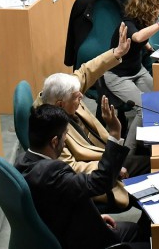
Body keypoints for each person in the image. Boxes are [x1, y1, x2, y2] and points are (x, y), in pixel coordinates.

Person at [36, 23, 142, 210]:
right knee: (147, 182)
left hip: (105, 153)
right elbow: (72, 168)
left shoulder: (64, 94)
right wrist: (112, 167)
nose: (82, 97)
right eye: (77, 97)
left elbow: (86, 71)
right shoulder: (49, 129)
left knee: (151, 161)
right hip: (96, 173)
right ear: (60, 104)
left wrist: (116, 52)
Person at [15, 103, 149, 249]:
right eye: (65, 134)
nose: (66, 139)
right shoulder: (51, 172)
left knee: (139, 230)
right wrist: (115, 134)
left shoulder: (22, 162)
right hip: (87, 241)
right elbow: (101, 182)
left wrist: (93, 218)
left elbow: (54, 207)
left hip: (74, 225)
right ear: (54, 141)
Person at [103, 0, 159, 147]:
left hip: (137, 71)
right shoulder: (127, 24)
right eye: (156, 6)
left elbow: (143, 40)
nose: (158, 10)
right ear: (148, 7)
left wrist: (150, 49)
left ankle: (154, 142)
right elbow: (138, 37)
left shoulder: (142, 21)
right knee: (145, 108)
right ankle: (124, 159)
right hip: (117, 76)